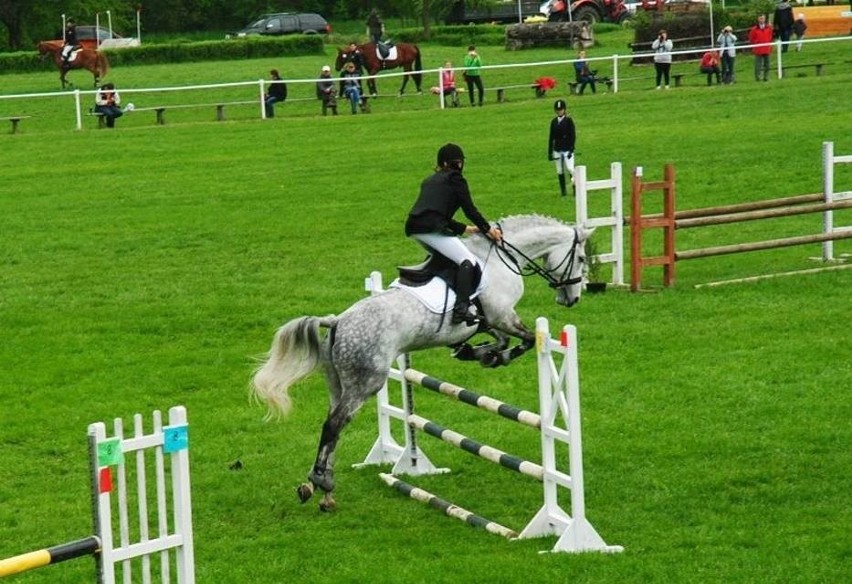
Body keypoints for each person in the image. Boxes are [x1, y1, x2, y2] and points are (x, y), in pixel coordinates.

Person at [404, 143, 502, 325]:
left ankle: (443, 295)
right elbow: (470, 210)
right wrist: (489, 230)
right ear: (457, 163)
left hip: (414, 228)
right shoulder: (456, 179)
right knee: (468, 261)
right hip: (430, 229)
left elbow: (434, 212)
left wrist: (465, 229)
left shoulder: (430, 180)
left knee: (447, 258)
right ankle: (461, 309)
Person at [547, 99, 576, 197]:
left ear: (564, 110)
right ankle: (563, 191)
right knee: (559, 170)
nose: (559, 111)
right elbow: (551, 137)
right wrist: (550, 152)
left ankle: (575, 187)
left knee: (570, 169)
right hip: (557, 149)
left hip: (567, 148)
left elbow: (572, 135)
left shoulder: (568, 121)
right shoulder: (554, 122)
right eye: (558, 110)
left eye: (561, 110)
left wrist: (571, 149)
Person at [748, 15, 774, 82]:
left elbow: (770, 37)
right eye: (760, 18)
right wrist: (756, 44)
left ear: (765, 19)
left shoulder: (768, 28)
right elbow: (751, 38)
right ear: (758, 19)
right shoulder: (754, 29)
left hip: (766, 48)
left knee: (767, 64)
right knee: (758, 65)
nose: (761, 20)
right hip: (758, 49)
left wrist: (769, 44)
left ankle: (766, 77)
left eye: (762, 18)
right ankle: (758, 77)